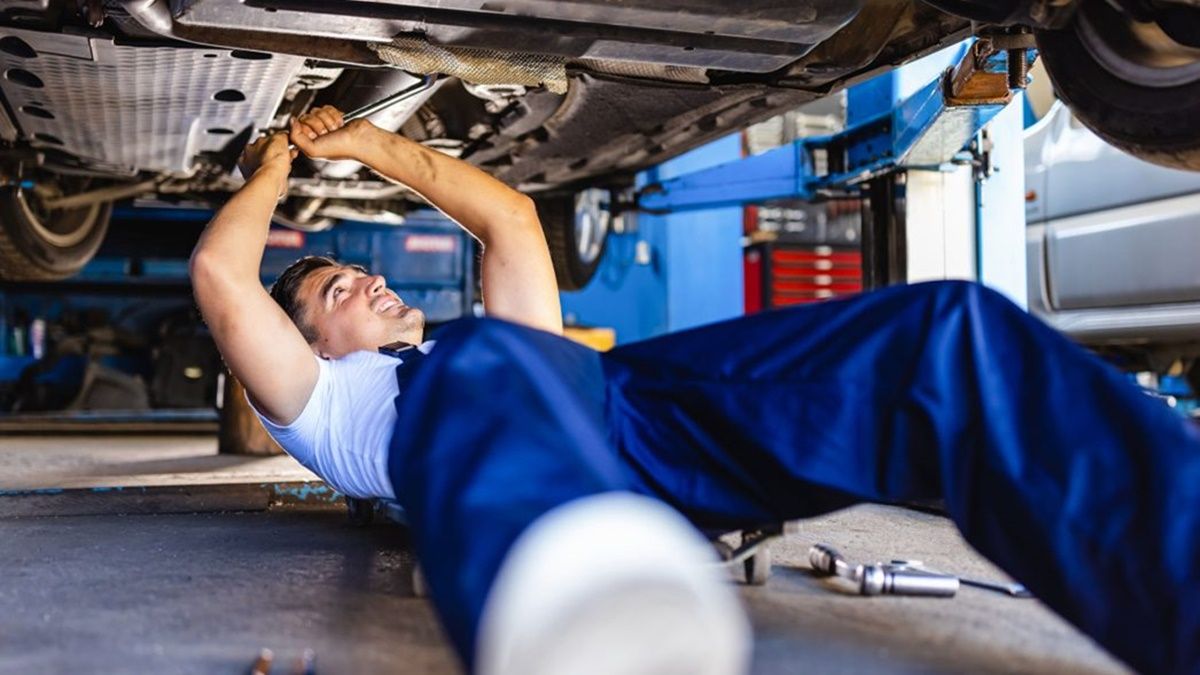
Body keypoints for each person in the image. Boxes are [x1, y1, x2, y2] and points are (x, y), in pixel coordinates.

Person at [190, 106, 1200, 675]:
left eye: (353, 272)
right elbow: (223, 278)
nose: (362, 281)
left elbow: (508, 223)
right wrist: (278, 163)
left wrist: (369, 146)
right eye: (333, 290)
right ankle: (582, 608)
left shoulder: (488, 346)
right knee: (484, 360)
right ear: (306, 341)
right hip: (517, 466)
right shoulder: (328, 400)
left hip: (624, 415)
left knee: (943, 338)